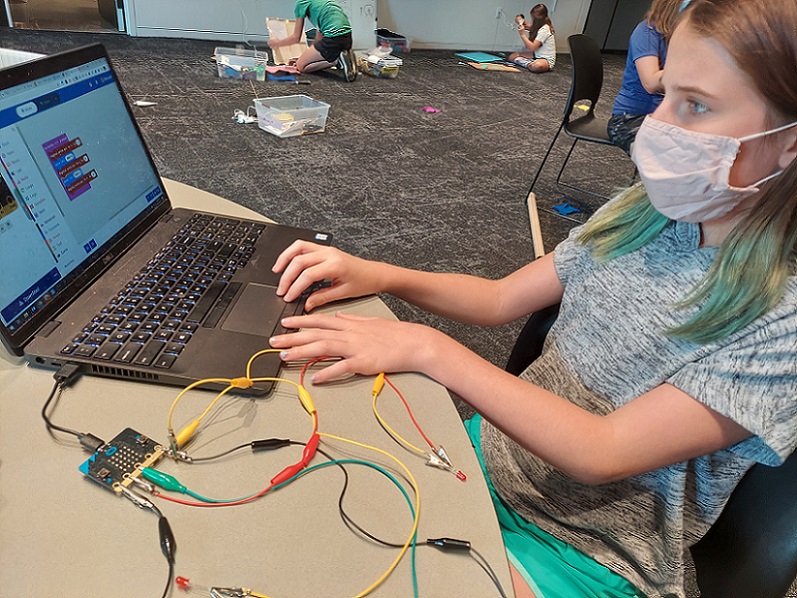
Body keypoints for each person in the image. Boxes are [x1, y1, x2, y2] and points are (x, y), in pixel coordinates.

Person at [269, 0, 797, 596]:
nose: (657, 125)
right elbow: (499, 298)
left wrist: (431, 349)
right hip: (486, 460)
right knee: (295, 507)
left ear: (788, 141)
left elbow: (604, 450)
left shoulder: (782, 320)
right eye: (665, 94)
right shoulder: (643, 214)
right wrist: (383, 274)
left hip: (585, 552)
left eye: (696, 106)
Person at [607, 0, 682, 154]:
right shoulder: (647, 32)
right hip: (629, 118)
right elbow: (651, 82)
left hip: (666, 117)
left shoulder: (681, 38)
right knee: (674, 157)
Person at [267, 0, 357, 82]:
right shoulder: (323, 3)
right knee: (303, 61)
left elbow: (296, 37)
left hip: (333, 39)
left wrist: (277, 43)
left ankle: (336, 60)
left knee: (301, 66)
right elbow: (319, 37)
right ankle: (340, 56)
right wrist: (306, 56)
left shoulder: (302, 3)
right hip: (347, 38)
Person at [508, 4, 556, 73]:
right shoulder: (539, 25)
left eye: (533, 19)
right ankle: (529, 63)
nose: (531, 21)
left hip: (545, 60)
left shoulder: (545, 29)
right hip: (535, 55)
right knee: (512, 57)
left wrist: (522, 35)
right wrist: (520, 21)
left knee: (536, 66)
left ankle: (528, 63)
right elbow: (528, 26)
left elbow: (532, 48)